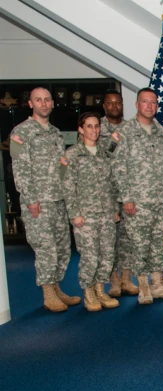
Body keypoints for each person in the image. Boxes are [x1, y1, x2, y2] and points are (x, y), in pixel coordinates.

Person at [9, 87, 80, 312]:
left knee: (62, 248)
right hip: (38, 201)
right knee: (46, 248)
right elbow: (19, 169)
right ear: (30, 104)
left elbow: (61, 169)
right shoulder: (20, 133)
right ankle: (48, 293)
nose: (44, 104)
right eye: (38, 100)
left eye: (47, 100)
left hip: (58, 199)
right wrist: (30, 199)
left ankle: (57, 287)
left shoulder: (56, 133)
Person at [111, 87, 163, 304]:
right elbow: (118, 167)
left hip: (159, 199)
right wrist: (127, 198)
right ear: (137, 105)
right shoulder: (126, 132)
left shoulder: (161, 132)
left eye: (153, 102)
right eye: (145, 102)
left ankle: (157, 285)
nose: (150, 106)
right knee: (139, 245)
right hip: (137, 202)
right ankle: (143, 288)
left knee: (158, 243)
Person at [61, 112, 119, 311]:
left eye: (96, 126)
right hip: (85, 216)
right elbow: (68, 187)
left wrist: (115, 209)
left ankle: (101, 289)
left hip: (106, 214)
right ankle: (88, 292)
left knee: (107, 254)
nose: (94, 130)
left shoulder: (105, 154)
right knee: (90, 256)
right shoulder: (72, 155)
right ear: (80, 129)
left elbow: (112, 185)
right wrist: (74, 214)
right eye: (89, 126)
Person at [99, 90, 138, 297]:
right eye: (110, 103)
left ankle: (126, 278)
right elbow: (101, 155)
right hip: (107, 192)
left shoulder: (130, 128)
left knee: (128, 236)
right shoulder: (96, 127)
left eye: (118, 102)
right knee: (109, 238)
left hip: (128, 189)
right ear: (104, 106)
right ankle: (113, 280)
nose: (114, 106)